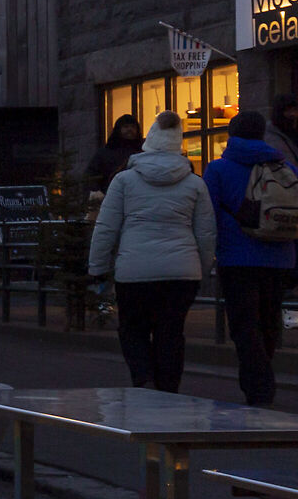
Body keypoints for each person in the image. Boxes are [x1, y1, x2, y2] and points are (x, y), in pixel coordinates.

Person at [88, 110, 215, 392]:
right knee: (171, 333)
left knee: (133, 329)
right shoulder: (195, 183)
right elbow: (205, 233)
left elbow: (106, 228)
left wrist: (97, 268)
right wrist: (202, 268)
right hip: (182, 272)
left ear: (150, 142)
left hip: (135, 271)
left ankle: (143, 377)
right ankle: (169, 389)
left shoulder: (123, 181)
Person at [203, 110, 298, 406]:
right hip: (280, 258)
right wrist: (296, 263)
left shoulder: (218, 169)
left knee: (243, 324)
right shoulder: (287, 167)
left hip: (237, 259)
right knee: (268, 322)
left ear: (231, 134)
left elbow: (207, 219)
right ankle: (261, 379)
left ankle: (259, 385)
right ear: (261, 134)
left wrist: (206, 258)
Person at [87, 114, 146, 198]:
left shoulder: (143, 151)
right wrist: (96, 190)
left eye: (133, 127)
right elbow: (91, 174)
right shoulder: (105, 153)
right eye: (126, 127)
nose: (130, 129)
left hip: (138, 196)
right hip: (111, 196)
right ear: (119, 130)